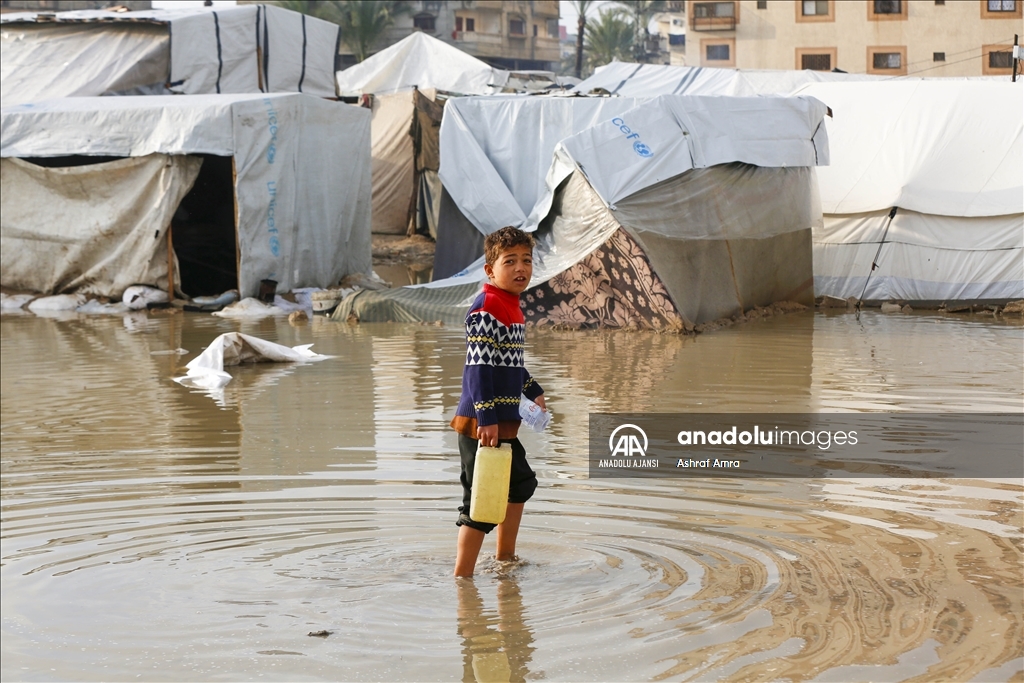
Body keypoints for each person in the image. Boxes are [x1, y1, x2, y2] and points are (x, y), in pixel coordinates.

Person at [451, 226, 546, 577]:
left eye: (526, 260)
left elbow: (509, 363)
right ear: (490, 270)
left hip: (502, 422)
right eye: (510, 262)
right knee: (480, 501)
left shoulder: (511, 305)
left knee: (520, 485)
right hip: (482, 424)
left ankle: (505, 558)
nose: (521, 268)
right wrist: (486, 417)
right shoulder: (487, 306)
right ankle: (462, 578)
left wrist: (533, 389)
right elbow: (477, 367)